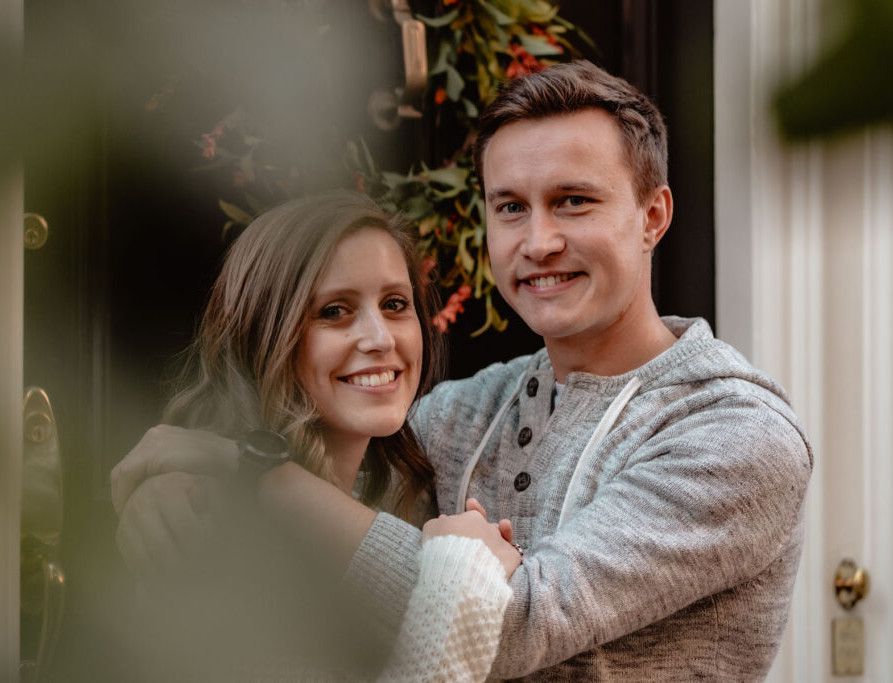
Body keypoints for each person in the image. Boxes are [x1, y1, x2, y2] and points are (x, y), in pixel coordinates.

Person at [114, 60, 813, 680]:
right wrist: (179, 488)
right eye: (511, 207)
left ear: (652, 215)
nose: (539, 241)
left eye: (573, 200)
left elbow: (508, 624)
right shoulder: (455, 415)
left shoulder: (734, 434)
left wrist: (253, 472)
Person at [115, 189, 520, 680]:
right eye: (334, 311)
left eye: (395, 304)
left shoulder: (388, 492)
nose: (380, 338)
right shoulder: (213, 527)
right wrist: (466, 572)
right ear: (266, 335)